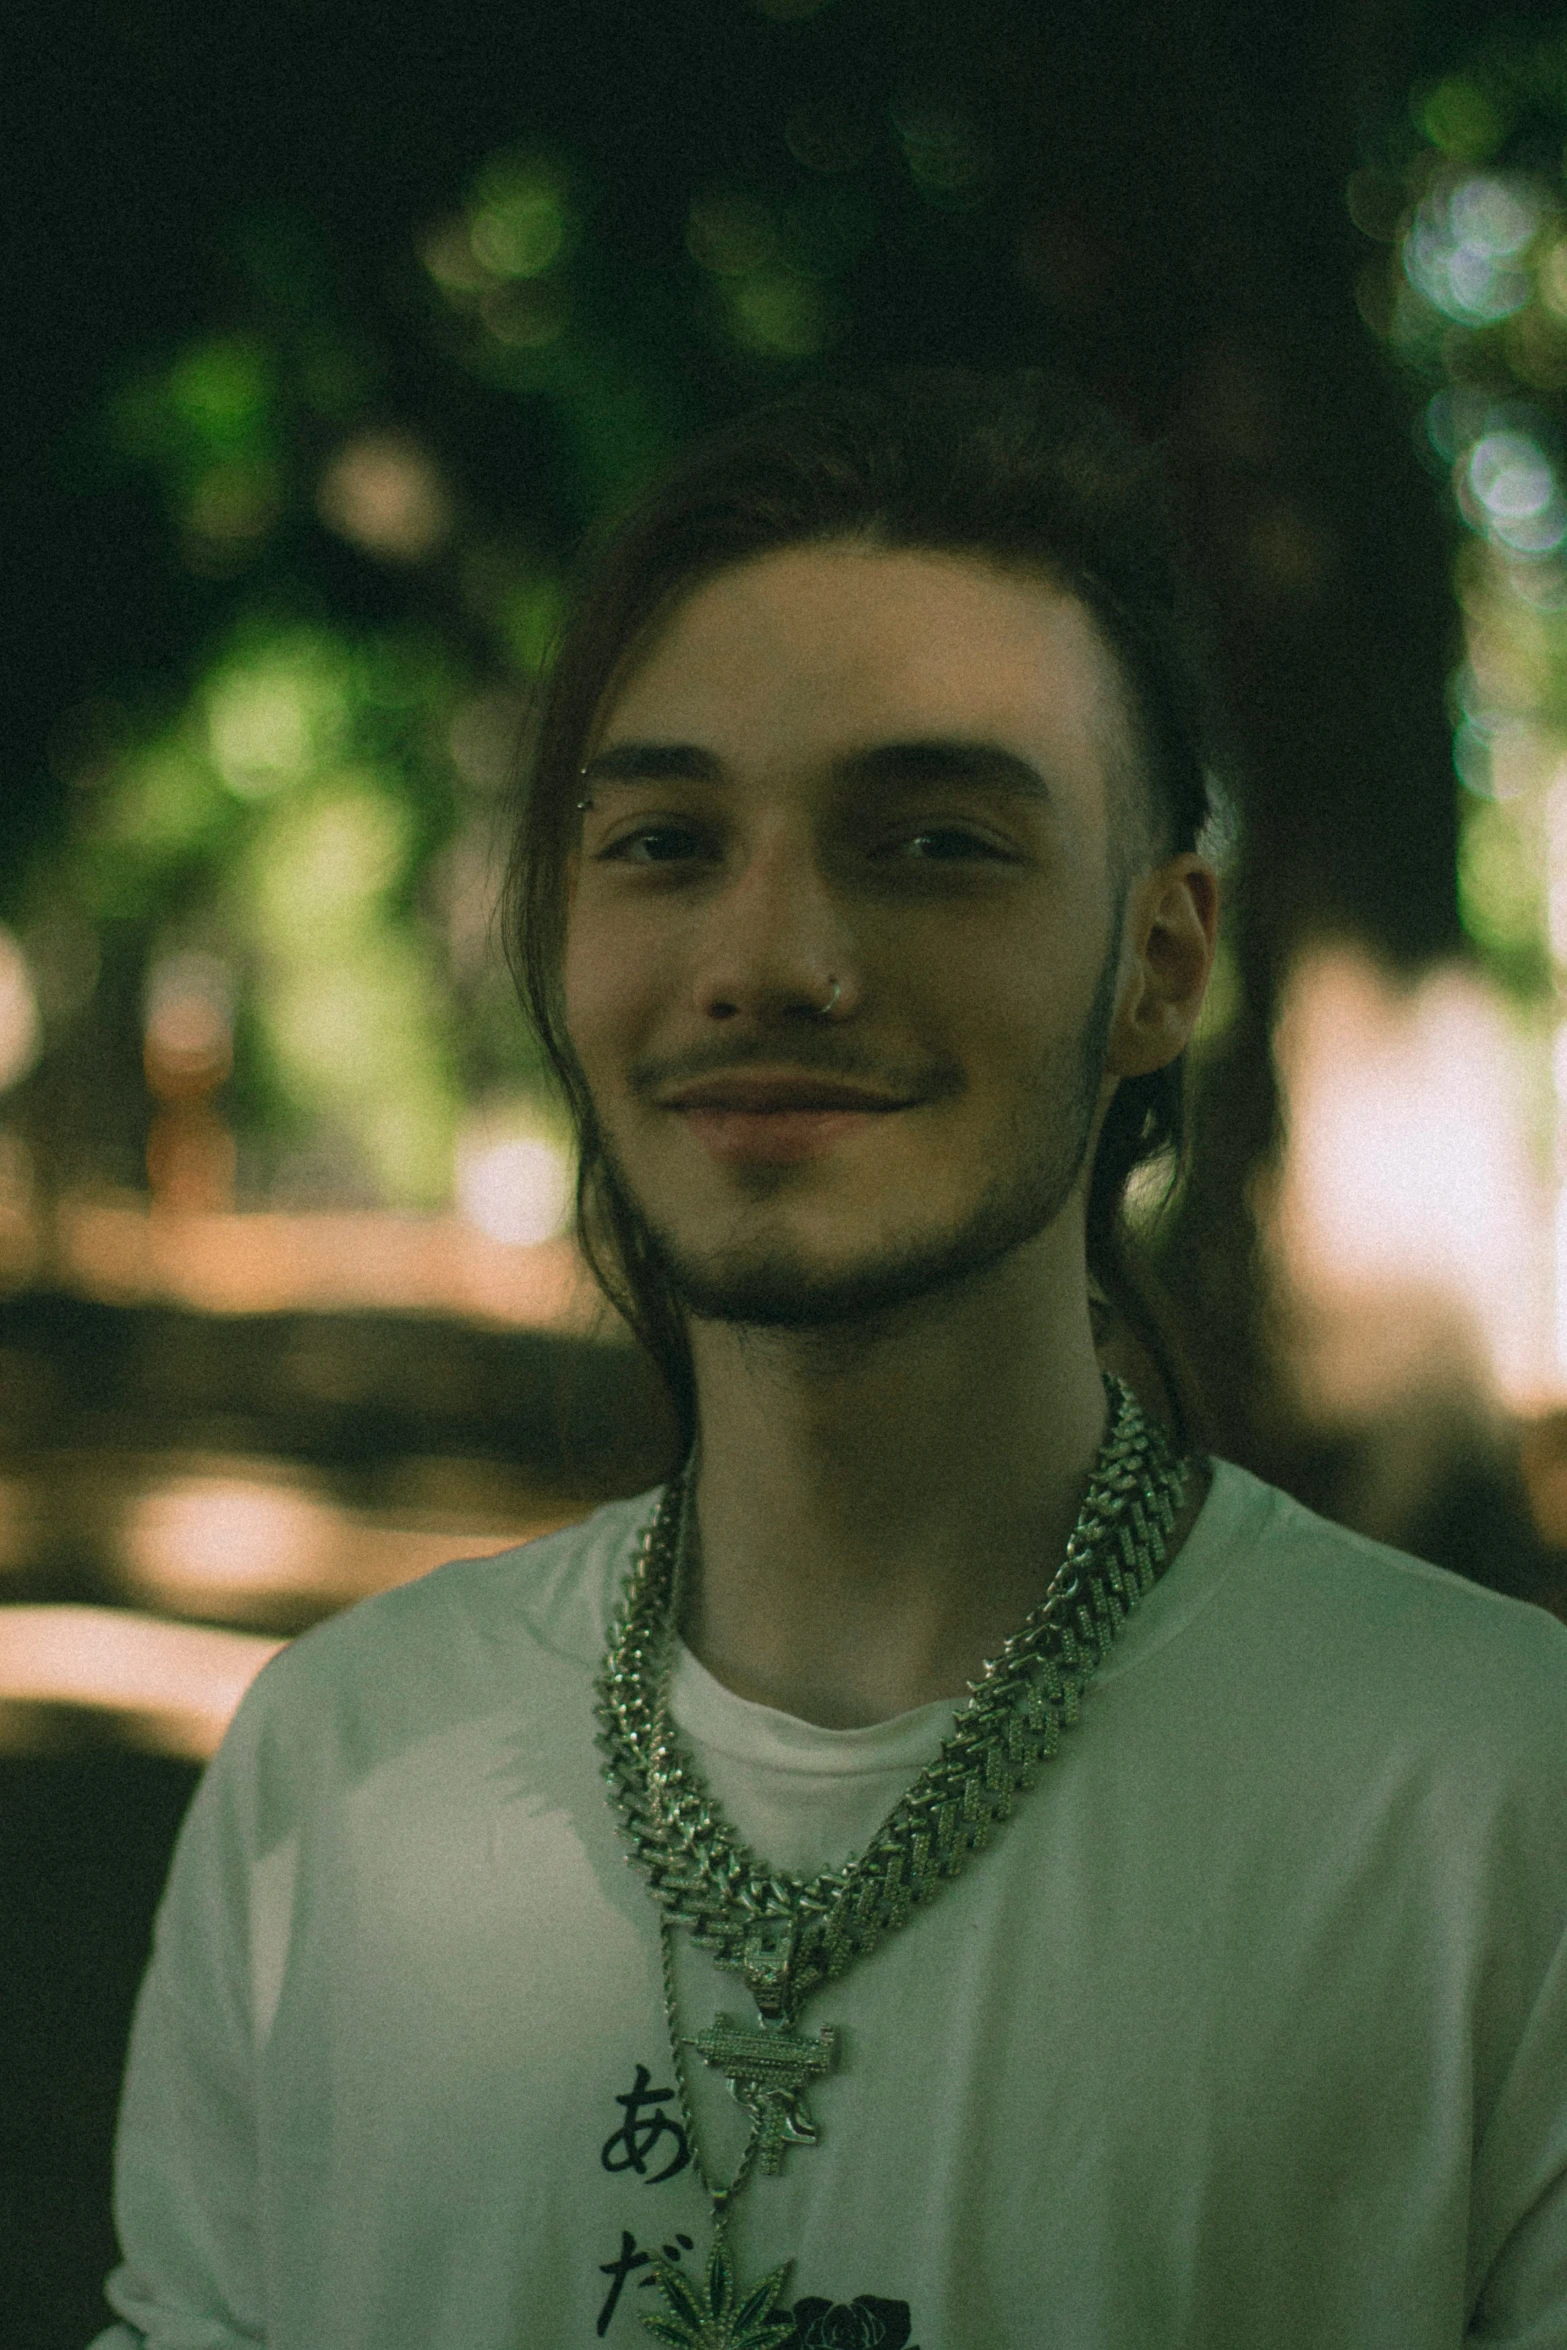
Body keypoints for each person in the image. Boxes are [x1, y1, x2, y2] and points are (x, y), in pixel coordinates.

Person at [92, 372, 1567, 2350]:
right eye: (665, 842)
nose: (771, 954)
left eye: (935, 839)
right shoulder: (331, 1769)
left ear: (1161, 961)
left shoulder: (1498, 1806)